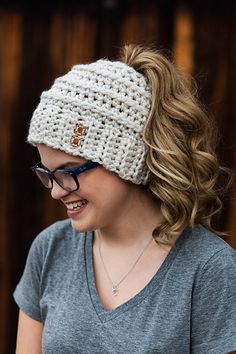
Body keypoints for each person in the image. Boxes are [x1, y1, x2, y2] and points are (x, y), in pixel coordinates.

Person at [14, 44, 236, 354]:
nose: (56, 191)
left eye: (68, 171)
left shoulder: (209, 269)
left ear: (124, 159)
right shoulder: (50, 250)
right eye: (47, 173)